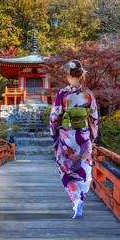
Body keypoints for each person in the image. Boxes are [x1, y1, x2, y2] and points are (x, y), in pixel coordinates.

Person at [50, 60, 98, 219]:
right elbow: (94, 118)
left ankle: (75, 199)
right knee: (84, 167)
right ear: (80, 74)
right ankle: (81, 196)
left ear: (67, 74)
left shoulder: (62, 93)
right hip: (83, 136)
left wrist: (54, 137)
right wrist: (92, 136)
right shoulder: (88, 94)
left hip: (67, 136)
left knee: (65, 167)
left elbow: (54, 118)